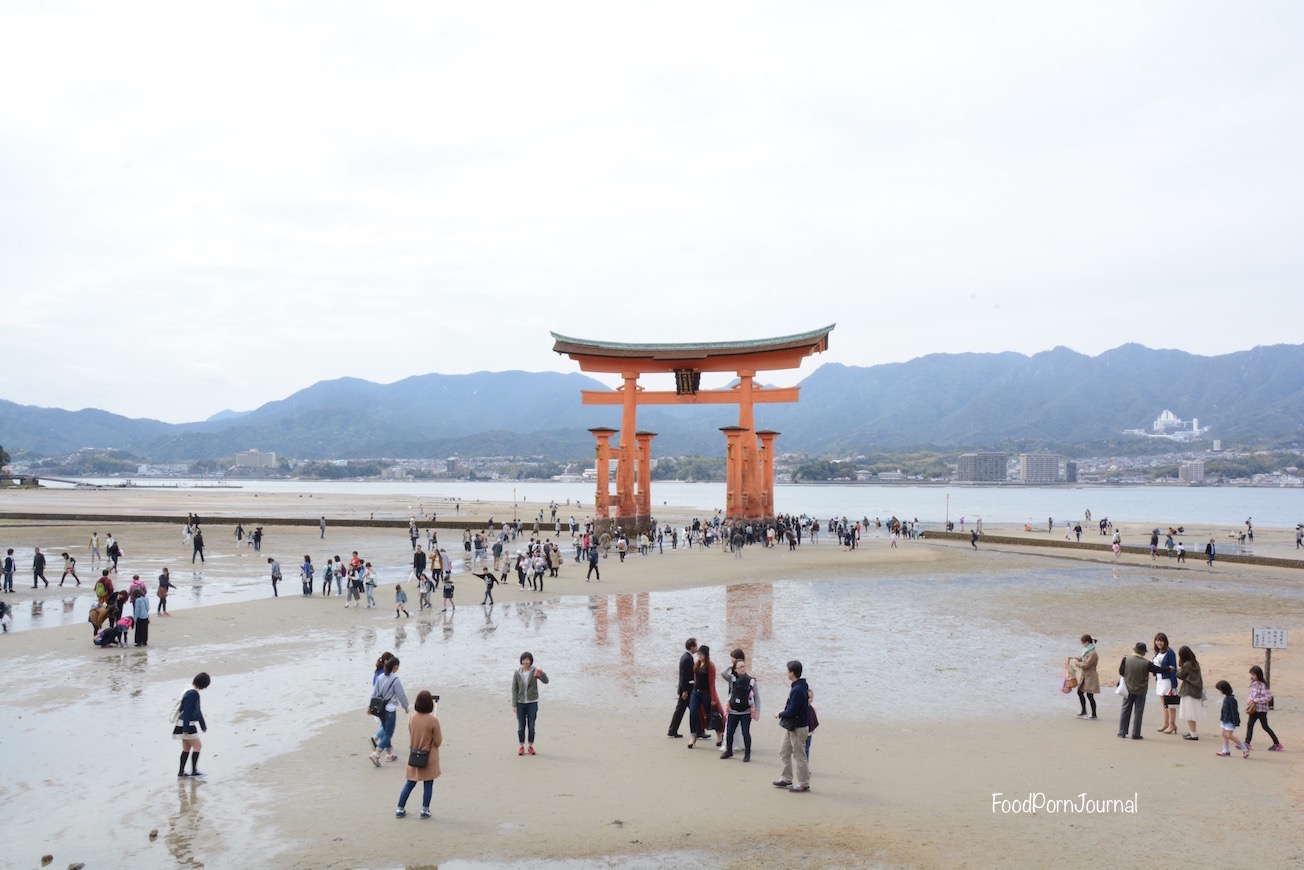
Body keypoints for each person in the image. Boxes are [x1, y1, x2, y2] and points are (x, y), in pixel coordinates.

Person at [396, 690, 442, 819]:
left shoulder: (412, 717)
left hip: (415, 753)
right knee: (428, 783)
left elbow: (412, 733)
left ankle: (400, 808)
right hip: (429, 755)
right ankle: (424, 810)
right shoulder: (433, 721)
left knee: (410, 783)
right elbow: (438, 741)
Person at [773, 660, 811, 793]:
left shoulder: (798, 689)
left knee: (799, 756)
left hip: (798, 727)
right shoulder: (799, 686)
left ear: (792, 673)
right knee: (784, 752)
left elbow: (792, 710)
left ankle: (804, 783)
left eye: (787, 670)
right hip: (791, 726)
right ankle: (786, 778)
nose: (786, 672)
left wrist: (779, 713)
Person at [369, 657, 409, 766]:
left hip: (380, 708)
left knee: (385, 729)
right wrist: (406, 706)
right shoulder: (395, 679)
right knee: (388, 733)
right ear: (395, 667)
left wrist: (370, 706)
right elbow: (401, 695)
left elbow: (374, 693)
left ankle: (389, 754)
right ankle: (377, 753)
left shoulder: (380, 677)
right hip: (390, 709)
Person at [1118, 642, 1161, 739]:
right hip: (1141, 690)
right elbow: (1157, 669)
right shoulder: (1146, 663)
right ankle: (1135, 733)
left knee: (1125, 710)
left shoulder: (1126, 659)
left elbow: (1121, 672)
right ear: (1143, 653)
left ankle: (1122, 732)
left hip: (1128, 689)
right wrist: (1168, 669)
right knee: (1138, 712)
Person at [720, 652, 758, 761]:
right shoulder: (732, 679)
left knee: (745, 732)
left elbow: (757, 698)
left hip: (746, 711)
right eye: (739, 667)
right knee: (729, 731)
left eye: (743, 666)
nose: (742, 669)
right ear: (735, 669)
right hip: (733, 711)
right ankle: (729, 751)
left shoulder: (751, 680)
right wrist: (731, 666)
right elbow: (723, 673)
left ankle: (747, 754)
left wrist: (757, 712)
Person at [512, 651, 550, 755]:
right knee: (521, 726)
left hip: (532, 702)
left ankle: (530, 746)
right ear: (521, 661)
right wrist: (514, 704)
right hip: (520, 703)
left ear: (531, 661)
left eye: (528, 659)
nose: (526, 661)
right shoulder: (517, 672)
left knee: (531, 726)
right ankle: (521, 746)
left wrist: (541, 672)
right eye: (524, 659)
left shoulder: (535, 671)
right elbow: (514, 689)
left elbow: (546, 681)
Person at [174, 672, 211, 777]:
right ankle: (194, 770)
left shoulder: (189, 691)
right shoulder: (192, 694)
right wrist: (186, 728)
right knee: (198, 746)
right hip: (187, 725)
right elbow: (189, 711)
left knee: (186, 748)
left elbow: (196, 711)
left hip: (182, 724)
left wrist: (203, 725)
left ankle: (181, 772)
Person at [1245, 666, 1282, 751]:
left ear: (1258, 674)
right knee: (1250, 725)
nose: (1252, 676)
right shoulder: (1253, 684)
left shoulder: (1263, 685)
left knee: (1265, 726)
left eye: (1253, 674)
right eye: (1251, 675)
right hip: (1254, 709)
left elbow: (1268, 697)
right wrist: (1249, 700)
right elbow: (1251, 694)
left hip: (1261, 710)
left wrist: (1256, 700)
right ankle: (1247, 743)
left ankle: (1277, 743)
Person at [667, 637, 697, 738]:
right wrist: (684, 691)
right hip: (686, 690)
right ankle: (699, 731)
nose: (697, 648)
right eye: (696, 646)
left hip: (685, 690)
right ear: (692, 647)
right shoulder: (687, 659)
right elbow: (684, 676)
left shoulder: (687, 657)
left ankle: (672, 730)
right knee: (694, 709)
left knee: (680, 710)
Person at [1215, 680, 1249, 758]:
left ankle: (1244, 748)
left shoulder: (1231, 699)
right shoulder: (1227, 698)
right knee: (1224, 734)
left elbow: (1234, 711)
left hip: (1230, 721)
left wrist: (1235, 721)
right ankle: (1225, 750)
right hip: (1225, 719)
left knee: (1229, 735)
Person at [1153, 633, 1179, 734]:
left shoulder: (1170, 652)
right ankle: (1165, 723)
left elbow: (1173, 669)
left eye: (1161, 641)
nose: (1159, 643)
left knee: (1170, 703)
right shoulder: (1158, 652)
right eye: (1157, 640)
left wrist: (1173, 685)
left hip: (1167, 680)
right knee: (1163, 703)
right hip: (1160, 680)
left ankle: (1172, 724)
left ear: (1165, 641)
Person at [1068, 634, 1099, 719]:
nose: (1083, 645)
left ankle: (1093, 714)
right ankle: (1084, 710)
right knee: (1080, 692)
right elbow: (1083, 658)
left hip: (1091, 676)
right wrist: (1074, 658)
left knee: (1090, 695)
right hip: (1085, 675)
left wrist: (1077, 663)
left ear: (1087, 642)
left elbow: (1086, 665)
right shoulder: (1088, 650)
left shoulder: (1093, 653)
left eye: (1083, 643)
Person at [1176, 646, 1203, 740]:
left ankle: (1194, 734)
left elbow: (1181, 675)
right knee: (1191, 713)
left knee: (1189, 714)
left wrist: (1176, 671)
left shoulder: (1187, 665)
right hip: (1196, 691)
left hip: (1188, 691)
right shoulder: (1195, 663)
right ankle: (1192, 732)